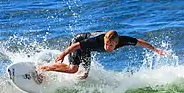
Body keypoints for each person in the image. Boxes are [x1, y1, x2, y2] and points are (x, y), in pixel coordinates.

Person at [38, 30, 166, 80]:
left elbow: (139, 42)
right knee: (73, 69)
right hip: (78, 42)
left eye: (110, 46)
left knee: (84, 75)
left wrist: (156, 50)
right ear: (104, 41)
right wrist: (63, 53)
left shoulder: (123, 40)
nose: (107, 48)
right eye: (106, 45)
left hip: (87, 49)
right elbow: (76, 46)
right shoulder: (96, 41)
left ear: (116, 43)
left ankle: (57, 75)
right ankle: (42, 69)